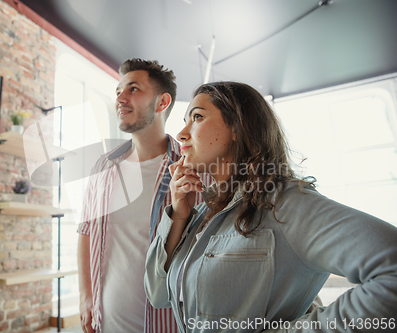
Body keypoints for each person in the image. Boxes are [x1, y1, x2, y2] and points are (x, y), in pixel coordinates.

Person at [144, 81, 397, 332]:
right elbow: (157, 294)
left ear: (237, 127)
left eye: (196, 117)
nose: (181, 134)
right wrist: (179, 214)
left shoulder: (284, 203)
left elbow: (391, 267)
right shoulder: (199, 214)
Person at [77, 58, 211, 333]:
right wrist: (85, 295)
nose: (120, 98)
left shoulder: (193, 169)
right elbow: (86, 231)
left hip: (168, 324)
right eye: (118, 91)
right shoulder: (103, 166)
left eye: (133, 89)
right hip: (107, 323)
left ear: (162, 103)